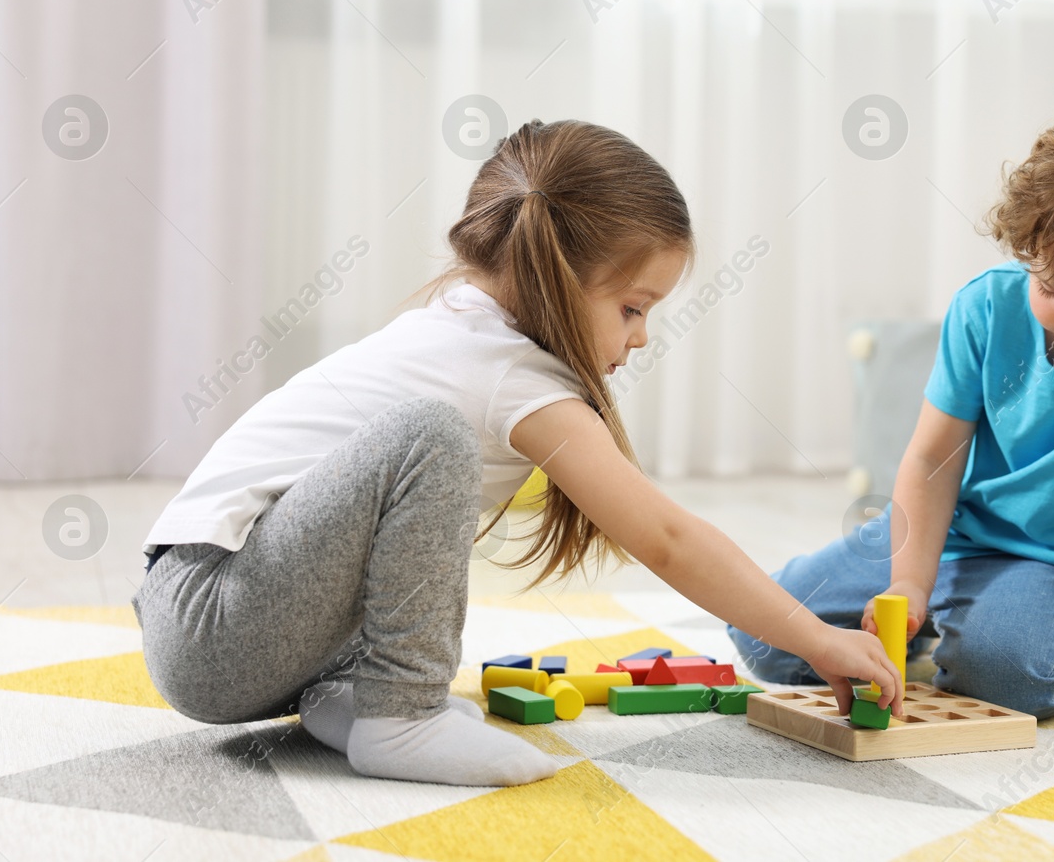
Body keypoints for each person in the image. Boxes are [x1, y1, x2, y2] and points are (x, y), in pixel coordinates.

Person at [132, 118, 904, 788]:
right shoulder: (501, 372)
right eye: (632, 308)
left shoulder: (468, 325)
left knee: (423, 465)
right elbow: (666, 538)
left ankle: (361, 695)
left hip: (234, 623)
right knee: (428, 437)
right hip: (211, 617)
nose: (640, 337)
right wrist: (816, 636)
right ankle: (399, 716)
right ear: (554, 279)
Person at [727, 93, 1054, 754]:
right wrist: (909, 578)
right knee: (765, 632)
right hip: (945, 532)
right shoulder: (985, 308)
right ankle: (931, 623)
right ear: (1031, 248)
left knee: (1003, 675)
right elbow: (933, 458)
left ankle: (970, 633)